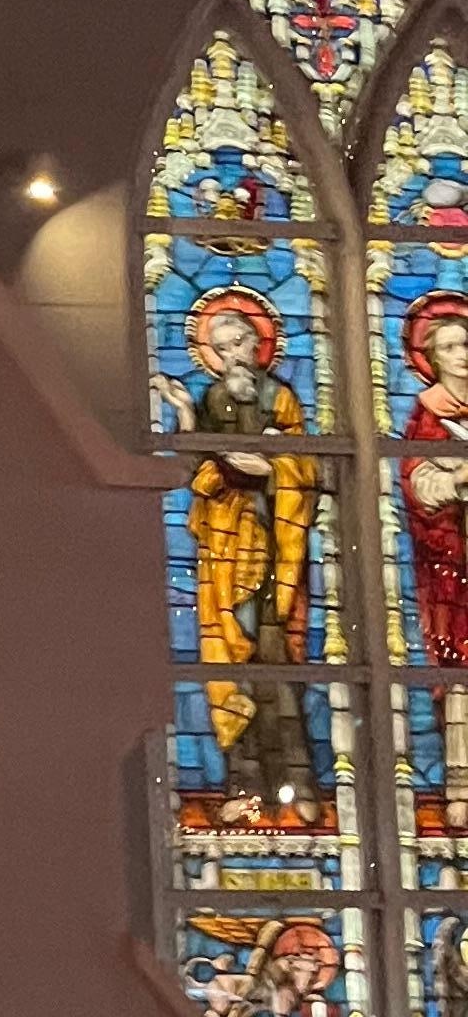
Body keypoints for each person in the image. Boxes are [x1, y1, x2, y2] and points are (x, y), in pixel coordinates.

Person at [156, 290, 320, 806]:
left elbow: (306, 469)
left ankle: (297, 785)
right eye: (221, 349)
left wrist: (272, 468)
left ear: (258, 343)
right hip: (224, 553)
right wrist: (187, 418)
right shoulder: (209, 400)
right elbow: (195, 470)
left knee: (279, 666)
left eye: (239, 344)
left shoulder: (283, 398)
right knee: (226, 666)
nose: (232, 357)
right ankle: (243, 785)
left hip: (275, 551)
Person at [399, 292, 468, 807]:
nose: (462, 354)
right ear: (432, 358)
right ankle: (462, 788)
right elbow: (417, 481)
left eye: (466, 343)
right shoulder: (427, 414)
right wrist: (458, 476)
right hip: (452, 559)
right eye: (449, 347)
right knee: (461, 665)